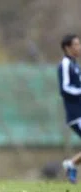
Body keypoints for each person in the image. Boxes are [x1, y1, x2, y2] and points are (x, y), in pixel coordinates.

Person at [58, 34, 81, 184]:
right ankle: (71, 163)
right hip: (75, 114)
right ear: (67, 48)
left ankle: (71, 164)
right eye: (76, 45)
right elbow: (64, 88)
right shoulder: (65, 64)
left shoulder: (75, 65)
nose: (79, 48)